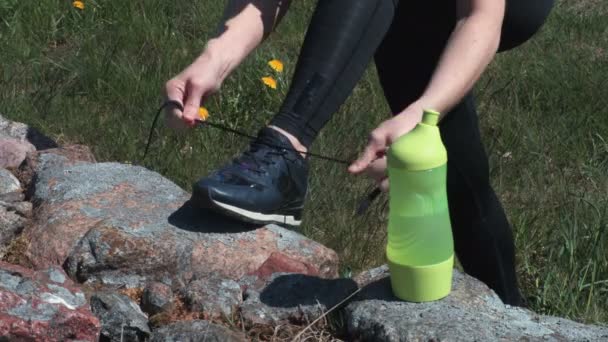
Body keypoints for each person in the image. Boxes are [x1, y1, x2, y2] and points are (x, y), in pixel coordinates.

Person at [164, 0, 554, 306]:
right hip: (404, 11)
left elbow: (481, 18)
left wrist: (423, 113)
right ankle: (510, 313)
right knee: (458, 179)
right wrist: (214, 59)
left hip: (503, 8)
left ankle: (285, 148)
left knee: (431, 133)